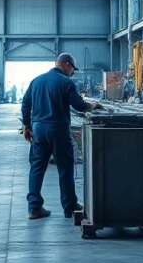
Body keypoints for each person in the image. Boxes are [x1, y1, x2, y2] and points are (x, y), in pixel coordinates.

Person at [22, 53, 103, 220]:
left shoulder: (36, 81)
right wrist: (93, 106)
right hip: (57, 128)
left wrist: (27, 126)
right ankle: (70, 207)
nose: (72, 73)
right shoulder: (66, 82)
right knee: (65, 168)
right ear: (66, 65)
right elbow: (79, 105)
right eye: (72, 69)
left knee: (37, 168)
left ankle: (34, 208)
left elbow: (25, 103)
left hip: (38, 128)